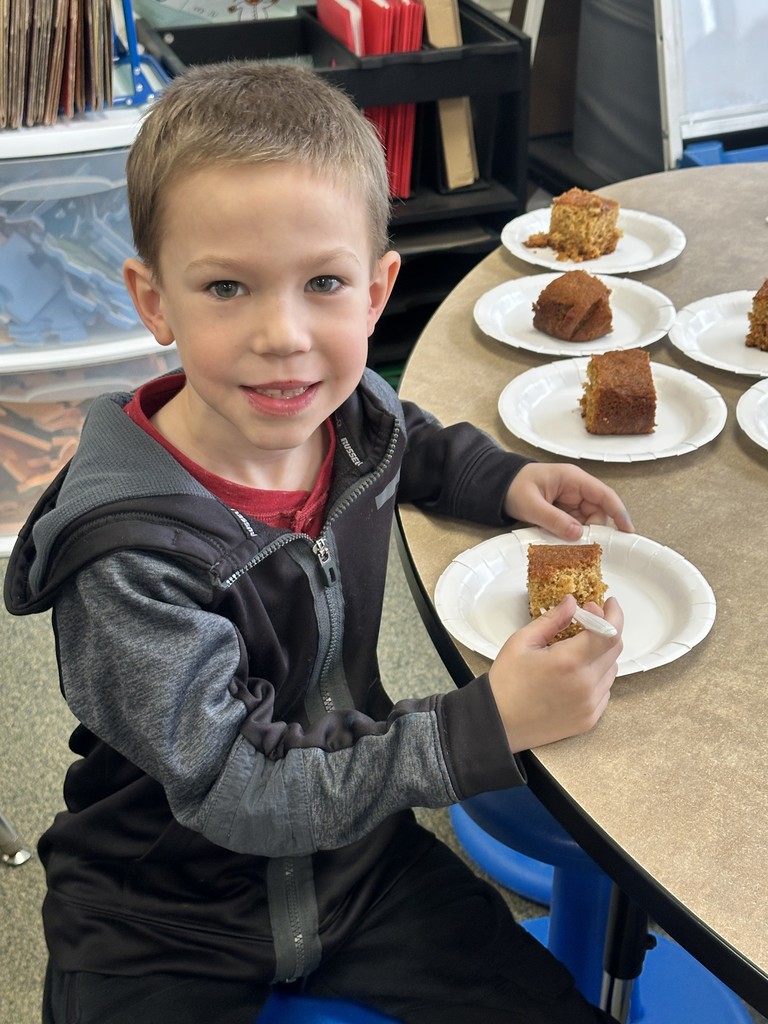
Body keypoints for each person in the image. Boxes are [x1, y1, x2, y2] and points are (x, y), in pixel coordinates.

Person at [4, 62, 633, 1024]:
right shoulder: (126, 558)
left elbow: (407, 437)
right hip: (162, 911)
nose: (285, 336)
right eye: (227, 287)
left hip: (359, 866)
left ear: (378, 290)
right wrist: (483, 725)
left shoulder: (349, 413)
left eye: (324, 283)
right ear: (153, 299)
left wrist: (498, 477)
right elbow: (239, 784)